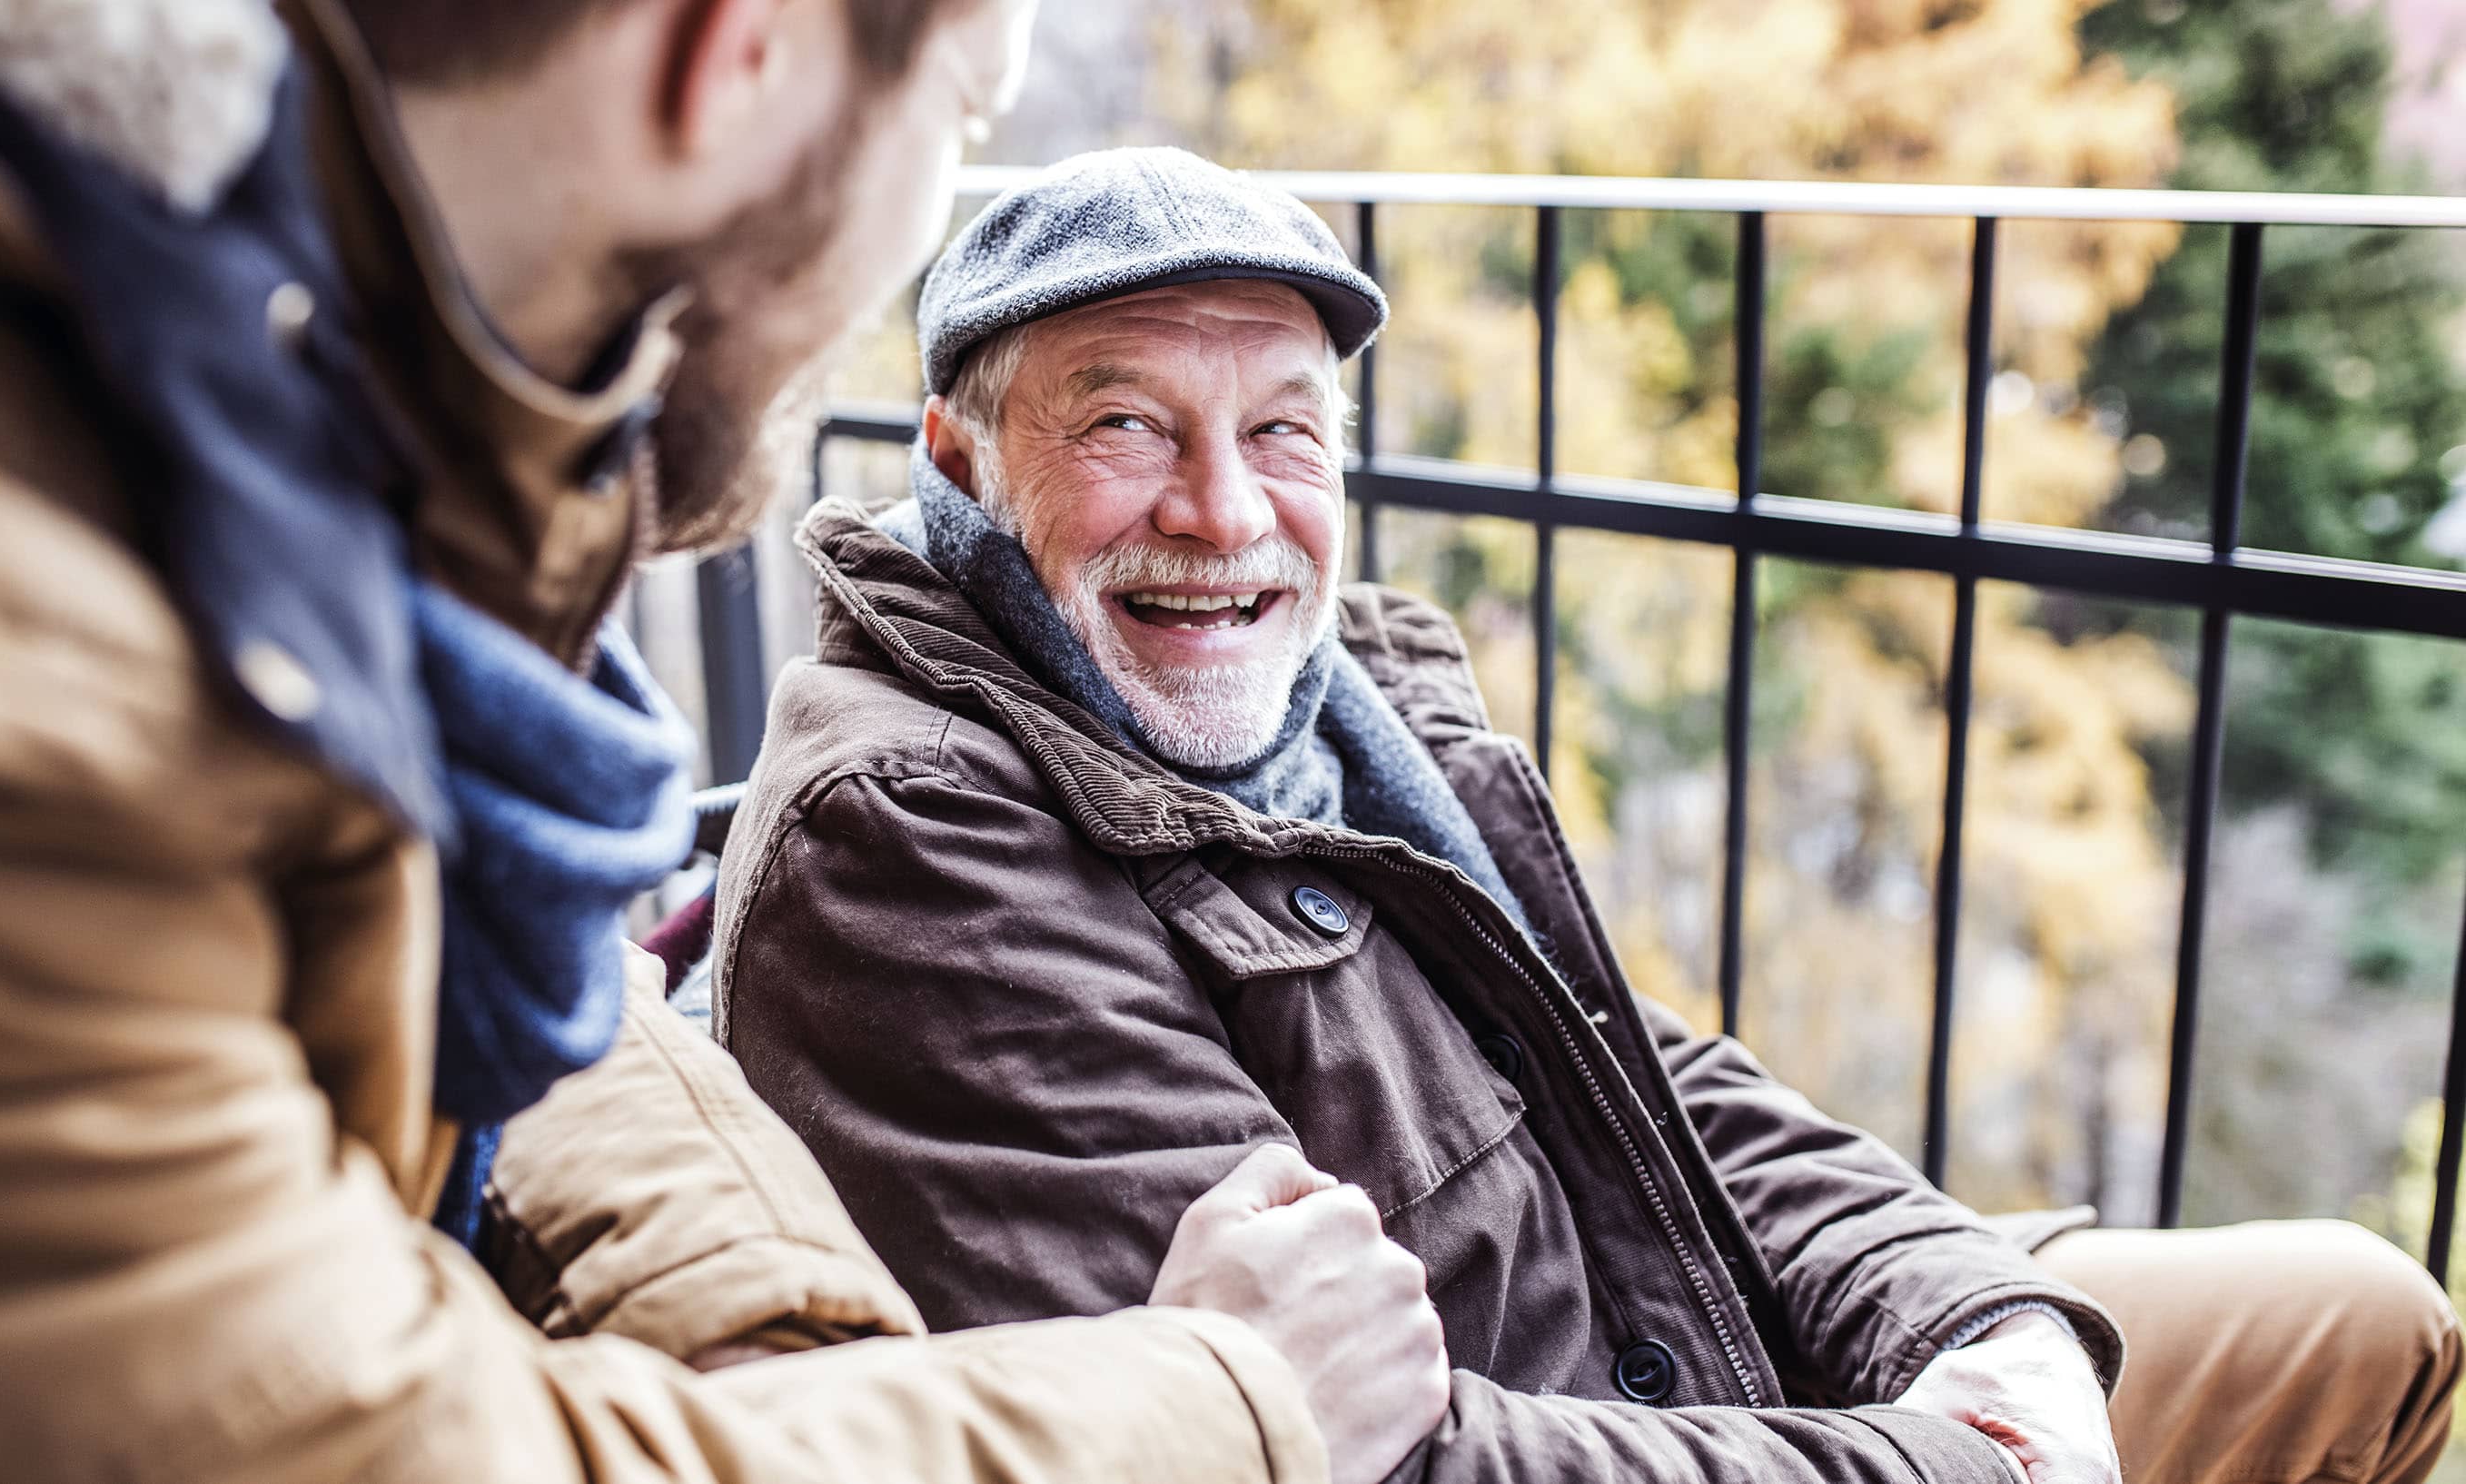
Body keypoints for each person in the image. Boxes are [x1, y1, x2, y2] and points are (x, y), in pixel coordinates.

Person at [0, 4, 1451, 1480]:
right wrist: (1234, 1402)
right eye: (963, 114)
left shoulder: (245, 397)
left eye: (1284, 427)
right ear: (735, 51)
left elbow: (514, 993)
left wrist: (758, 1319)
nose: (1225, 507)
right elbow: (349, 1442)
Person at [709, 145, 2466, 1484]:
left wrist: (1969, 1320)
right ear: (958, 459)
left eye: (1284, 430)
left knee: (2362, 1306)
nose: (1227, 511)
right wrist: (1943, 1458)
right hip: (1605, 1421)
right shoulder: (911, 838)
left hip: (1685, 1326)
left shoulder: (1337, 706)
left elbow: (1636, 1066)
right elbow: (1358, 1447)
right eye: (1125, 423)